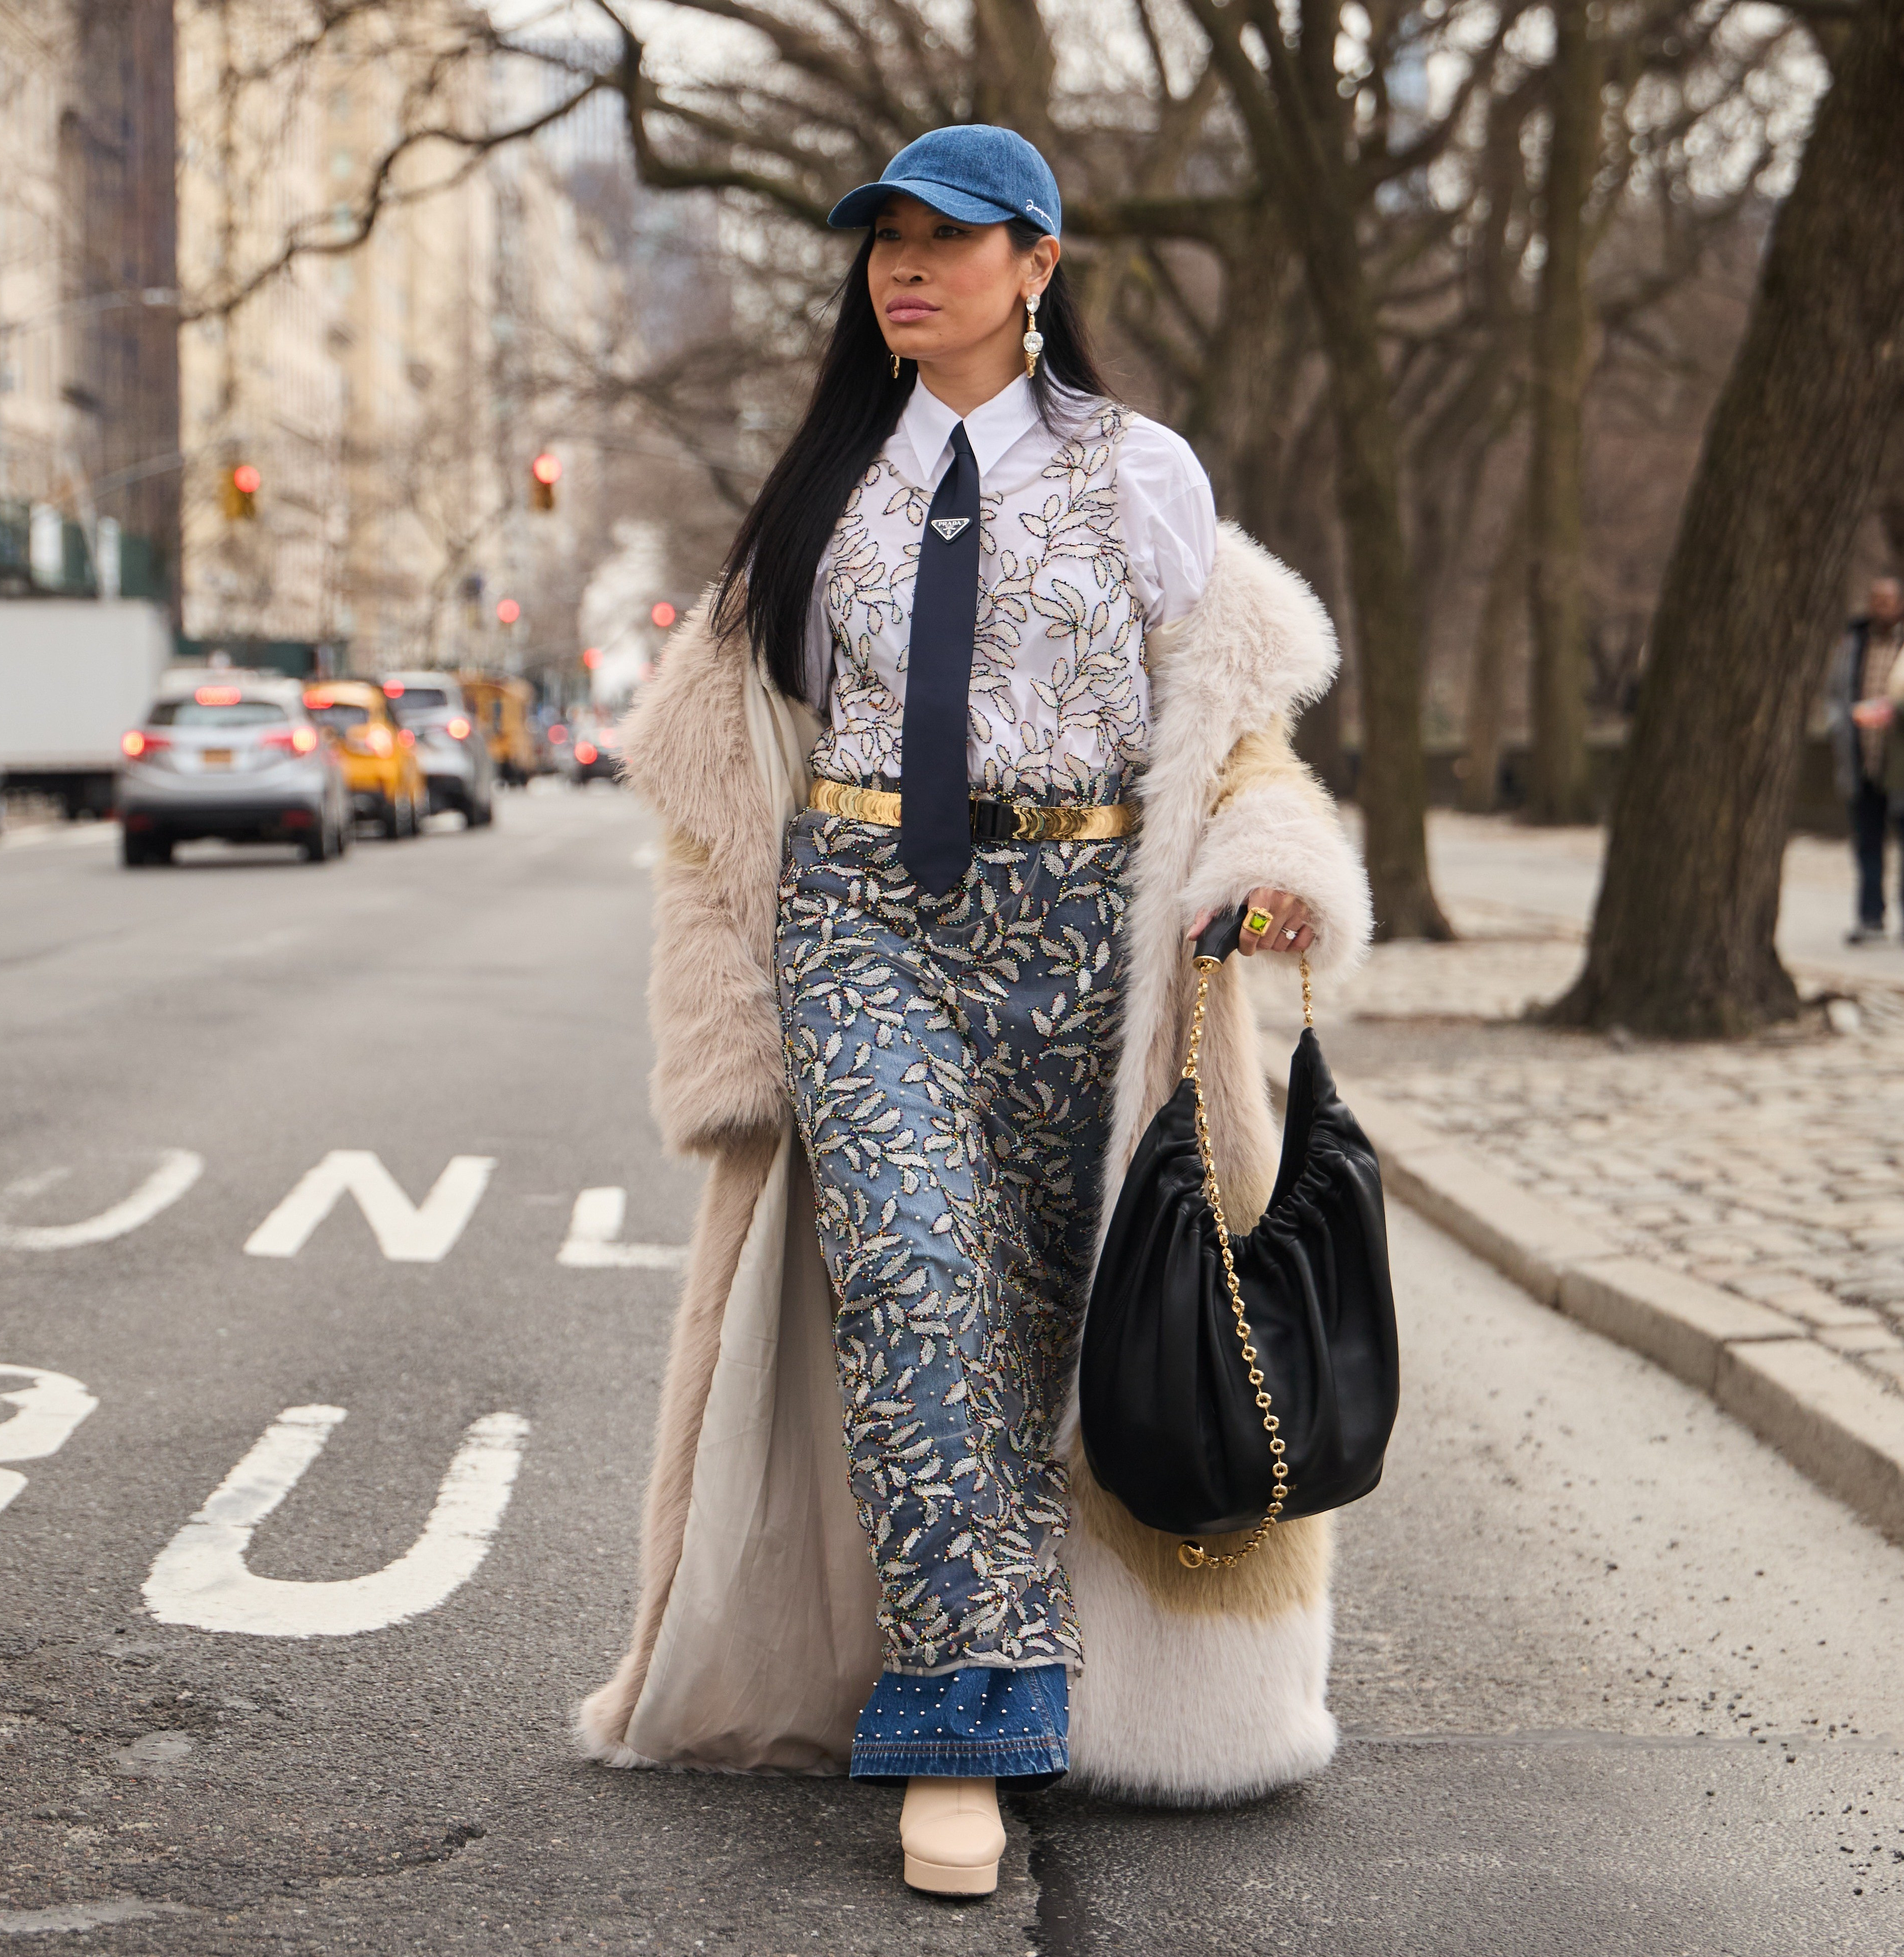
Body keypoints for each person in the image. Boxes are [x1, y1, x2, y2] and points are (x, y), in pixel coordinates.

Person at [576, 126, 1371, 1897]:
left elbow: (1234, 725)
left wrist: (1258, 865)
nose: (905, 266)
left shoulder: (1139, 472)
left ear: (1039, 266)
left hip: (1082, 924)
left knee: (1055, 1324)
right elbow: (739, 749)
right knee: (912, 1284)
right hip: (866, 923)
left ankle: (1088, 1677)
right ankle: (964, 1721)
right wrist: (733, 980)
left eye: (950, 239)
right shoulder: (826, 488)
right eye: (885, 241)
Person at [1827, 574, 1904, 943]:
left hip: (1900, 765)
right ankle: (1870, 918)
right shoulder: (1852, 642)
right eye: (1876, 600)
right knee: (1867, 844)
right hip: (1862, 760)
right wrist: (1841, 726)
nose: (1881, 608)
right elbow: (1835, 694)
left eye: (1888, 601)